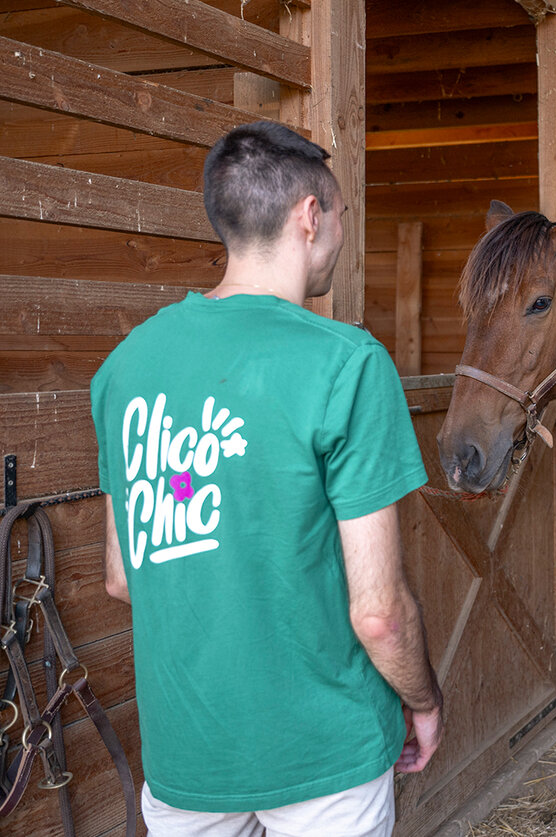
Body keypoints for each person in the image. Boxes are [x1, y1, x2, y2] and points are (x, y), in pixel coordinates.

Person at [90, 121, 443, 836]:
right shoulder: (348, 363)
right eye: (342, 214)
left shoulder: (125, 367)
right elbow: (379, 612)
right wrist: (424, 697)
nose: (341, 231)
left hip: (188, 760)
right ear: (310, 216)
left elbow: (123, 576)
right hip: (326, 757)